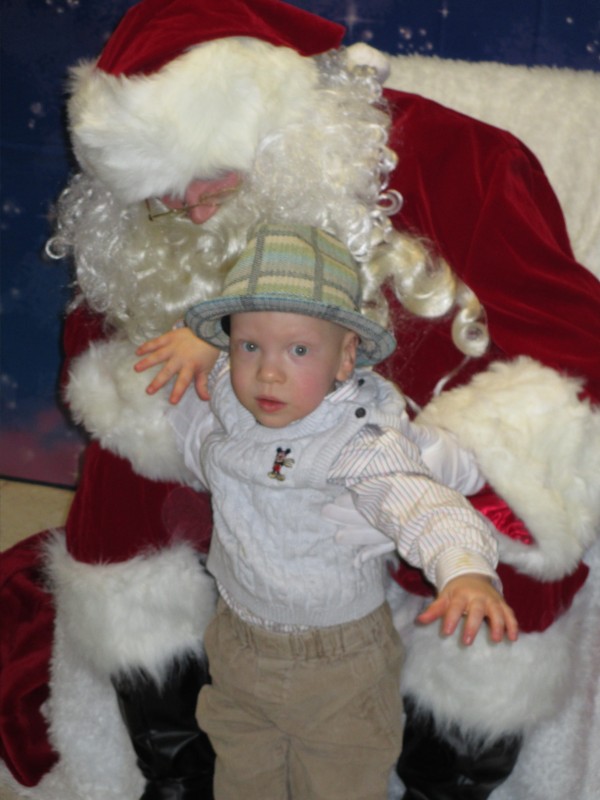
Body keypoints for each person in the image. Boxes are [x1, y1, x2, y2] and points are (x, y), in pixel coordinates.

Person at [1, 2, 598, 800]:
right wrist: (186, 357)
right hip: (251, 509)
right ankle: (178, 767)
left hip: (403, 437)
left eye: (213, 179)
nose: (195, 210)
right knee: (121, 494)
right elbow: (105, 341)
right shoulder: (153, 216)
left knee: (519, 519)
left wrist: (458, 484)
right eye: (164, 196)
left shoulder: (460, 158)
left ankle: (443, 775)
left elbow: (565, 334)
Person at [126, 221, 517, 799]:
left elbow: (422, 503)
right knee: (242, 781)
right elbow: (191, 378)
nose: (269, 371)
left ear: (345, 358)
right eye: (249, 346)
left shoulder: (359, 440)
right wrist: (199, 340)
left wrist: (464, 569)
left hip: (338, 665)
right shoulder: (233, 396)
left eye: (299, 350)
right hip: (237, 643)